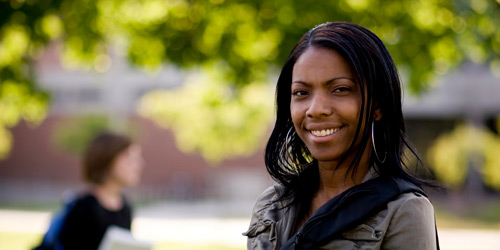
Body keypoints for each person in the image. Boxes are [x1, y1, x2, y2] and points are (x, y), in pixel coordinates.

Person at [244, 22, 439, 249]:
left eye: (340, 89)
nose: (316, 109)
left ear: (377, 105)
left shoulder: (403, 210)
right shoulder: (271, 205)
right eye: (301, 93)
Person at [33, 132, 144, 250]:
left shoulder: (125, 207)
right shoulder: (83, 208)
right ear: (106, 160)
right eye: (129, 159)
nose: (138, 165)